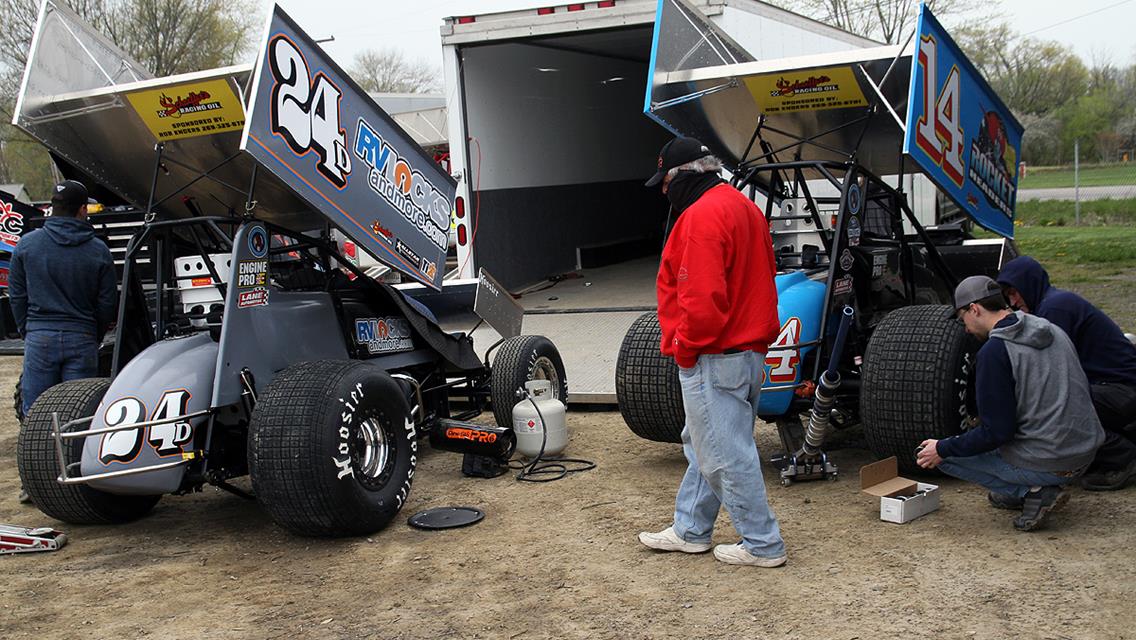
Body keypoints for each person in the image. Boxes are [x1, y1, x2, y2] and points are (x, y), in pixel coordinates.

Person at [636, 136, 786, 567]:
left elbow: (701, 300)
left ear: (685, 174)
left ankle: (762, 543)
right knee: (709, 444)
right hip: (747, 351)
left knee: (723, 453)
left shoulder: (700, 217)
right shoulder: (742, 206)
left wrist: (685, 349)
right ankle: (691, 529)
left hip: (715, 353)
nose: (664, 192)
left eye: (665, 182)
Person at [916, 276, 1105, 531]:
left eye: (963, 319)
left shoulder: (995, 352)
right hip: (1086, 449)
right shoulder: (1048, 327)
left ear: (975, 309)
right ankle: (1027, 486)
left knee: (939, 455)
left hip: (1054, 461)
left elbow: (997, 432)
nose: (965, 328)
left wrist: (943, 446)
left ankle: (1030, 490)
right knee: (957, 447)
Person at [10, 180, 117, 502]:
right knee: (77, 414)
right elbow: (107, 302)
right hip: (81, 336)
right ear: (83, 209)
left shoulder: (27, 245)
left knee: (36, 413)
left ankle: (35, 485)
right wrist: (94, 332)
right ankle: (80, 480)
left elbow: (16, 295)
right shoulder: (98, 250)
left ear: (52, 208)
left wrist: (28, 330)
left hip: (40, 336)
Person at [997, 255, 1136, 491]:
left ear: (1028, 284)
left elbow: (1047, 370)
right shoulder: (1052, 303)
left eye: (1014, 292)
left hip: (1122, 390)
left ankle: (1122, 456)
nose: (1013, 301)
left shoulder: (1055, 309)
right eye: (1008, 295)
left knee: (1057, 406)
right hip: (1113, 389)